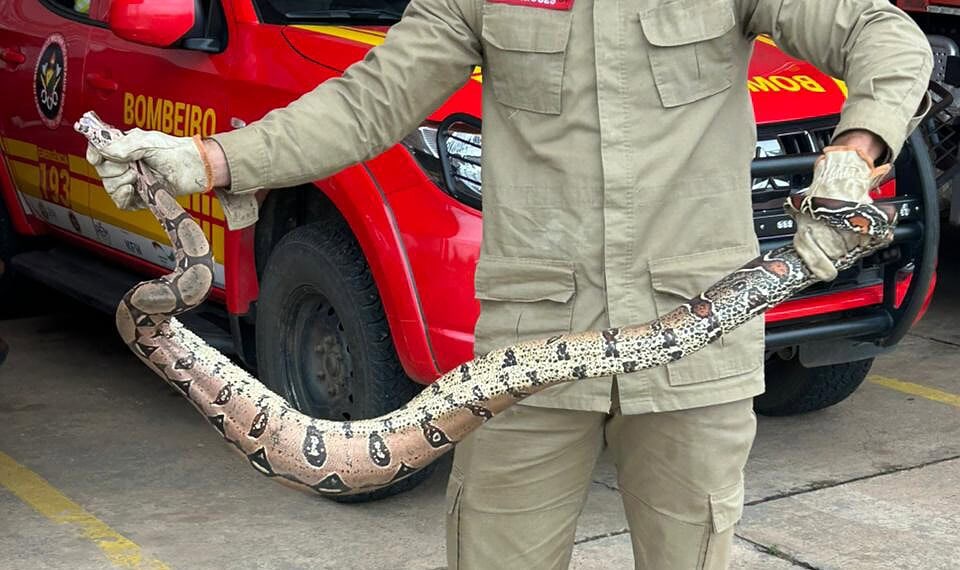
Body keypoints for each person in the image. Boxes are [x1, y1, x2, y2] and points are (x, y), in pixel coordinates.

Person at [87, 1, 932, 568]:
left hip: (695, 347)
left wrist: (858, 146)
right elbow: (370, 102)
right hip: (529, 353)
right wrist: (210, 158)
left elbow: (881, 32)